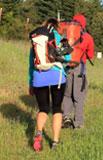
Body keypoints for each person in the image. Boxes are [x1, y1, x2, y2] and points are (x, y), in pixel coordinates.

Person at [29, 18, 67, 152]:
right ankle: (55, 143)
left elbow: (31, 63)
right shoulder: (59, 37)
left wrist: (31, 83)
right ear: (57, 26)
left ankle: (39, 134)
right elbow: (67, 58)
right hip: (58, 77)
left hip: (39, 77)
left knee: (43, 108)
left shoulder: (36, 38)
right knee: (57, 109)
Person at [61, 13, 94, 129]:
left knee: (67, 94)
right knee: (79, 96)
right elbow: (90, 54)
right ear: (83, 24)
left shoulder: (65, 35)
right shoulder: (87, 37)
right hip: (80, 68)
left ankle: (66, 117)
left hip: (67, 66)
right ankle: (78, 123)